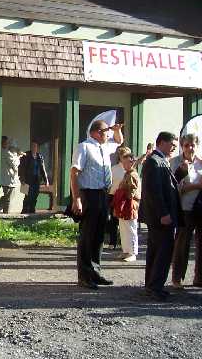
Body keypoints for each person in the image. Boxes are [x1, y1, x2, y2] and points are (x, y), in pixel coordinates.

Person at [70, 120, 123, 289]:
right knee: (87, 235)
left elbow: (119, 142)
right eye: (106, 132)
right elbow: (74, 173)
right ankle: (84, 276)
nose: (109, 135)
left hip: (102, 193)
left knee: (99, 235)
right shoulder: (84, 147)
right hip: (88, 193)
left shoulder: (104, 147)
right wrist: (76, 198)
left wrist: (116, 130)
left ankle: (95, 272)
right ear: (97, 132)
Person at [140, 131, 182, 301]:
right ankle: (154, 286)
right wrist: (163, 213)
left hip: (159, 216)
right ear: (161, 142)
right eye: (172, 144)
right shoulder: (154, 161)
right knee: (163, 251)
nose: (174, 147)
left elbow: (165, 187)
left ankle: (152, 285)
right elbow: (154, 192)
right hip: (160, 217)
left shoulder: (159, 160)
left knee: (156, 250)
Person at [170, 134, 202, 289]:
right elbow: (174, 189)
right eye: (187, 145)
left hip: (200, 208)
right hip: (185, 209)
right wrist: (196, 186)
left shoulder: (201, 162)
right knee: (182, 244)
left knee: (201, 245)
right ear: (182, 146)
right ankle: (177, 278)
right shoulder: (175, 162)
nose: (190, 148)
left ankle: (199, 278)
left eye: (193, 145)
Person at [112, 151, 141, 262]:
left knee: (130, 229)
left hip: (130, 204)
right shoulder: (127, 173)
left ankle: (132, 252)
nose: (124, 165)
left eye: (126, 162)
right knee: (123, 228)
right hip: (124, 204)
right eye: (123, 162)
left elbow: (132, 191)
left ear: (132, 162)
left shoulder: (133, 174)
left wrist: (122, 193)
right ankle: (126, 250)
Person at [106, 146, 131, 250]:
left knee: (125, 220)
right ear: (120, 157)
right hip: (114, 195)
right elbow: (109, 183)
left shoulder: (130, 169)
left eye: (128, 156)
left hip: (126, 196)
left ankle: (124, 243)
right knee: (114, 219)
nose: (126, 158)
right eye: (123, 156)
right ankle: (113, 242)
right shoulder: (114, 168)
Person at [20, 141, 49, 214]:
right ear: (31, 147)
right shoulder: (26, 155)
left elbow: (43, 169)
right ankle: (24, 210)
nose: (34, 148)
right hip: (27, 180)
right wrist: (22, 179)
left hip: (36, 180)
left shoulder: (40, 157)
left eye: (35, 146)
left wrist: (46, 180)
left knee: (35, 195)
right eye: (32, 146)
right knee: (27, 196)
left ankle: (32, 210)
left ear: (37, 148)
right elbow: (21, 168)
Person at [0, 137, 21, 213]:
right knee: (8, 198)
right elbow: (15, 164)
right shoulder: (6, 153)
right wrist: (18, 156)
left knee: (6, 197)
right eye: (6, 143)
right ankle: (5, 214)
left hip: (3, 178)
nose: (7, 144)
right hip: (8, 179)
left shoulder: (0, 151)